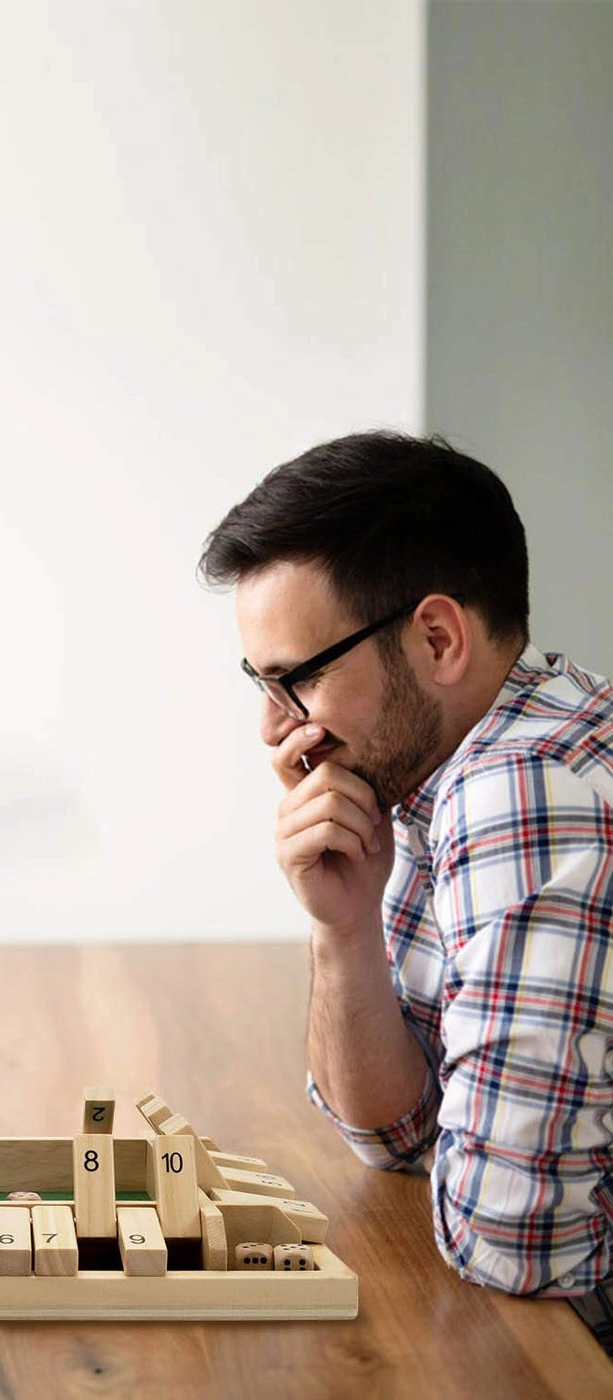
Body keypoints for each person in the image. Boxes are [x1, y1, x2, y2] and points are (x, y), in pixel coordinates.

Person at [199, 430, 612, 1348]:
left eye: (296, 678)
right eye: (259, 682)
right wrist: (342, 929)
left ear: (436, 638)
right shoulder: (449, 773)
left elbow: (514, 1244)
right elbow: (397, 1138)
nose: (274, 727)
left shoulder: (527, 791)